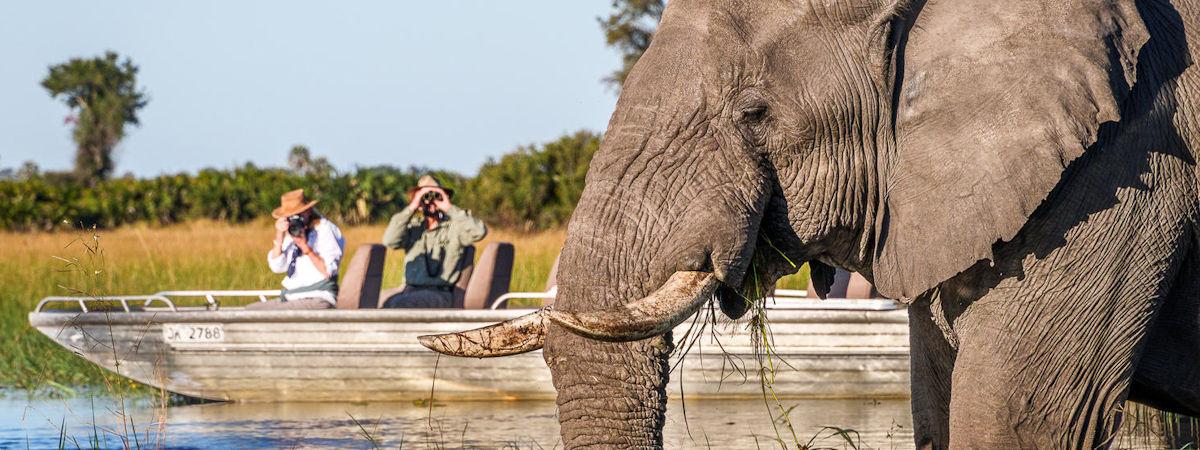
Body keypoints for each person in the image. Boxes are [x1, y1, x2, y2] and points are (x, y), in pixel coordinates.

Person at [381, 175, 487, 308]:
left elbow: (479, 231)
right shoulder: (413, 228)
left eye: (436, 196)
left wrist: (448, 207)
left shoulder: (455, 228)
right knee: (377, 300)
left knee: (401, 304)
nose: (430, 201)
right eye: (425, 196)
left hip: (440, 292)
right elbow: (389, 240)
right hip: (409, 289)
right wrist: (412, 207)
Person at [248, 189, 345, 310]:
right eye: (289, 216)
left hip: (318, 297)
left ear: (308, 210)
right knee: (250, 309)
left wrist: (305, 247)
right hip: (293, 297)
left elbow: (327, 271)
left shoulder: (325, 229)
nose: (295, 219)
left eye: (298, 214)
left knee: (258, 314)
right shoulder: (292, 231)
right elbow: (277, 267)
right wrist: (280, 235)